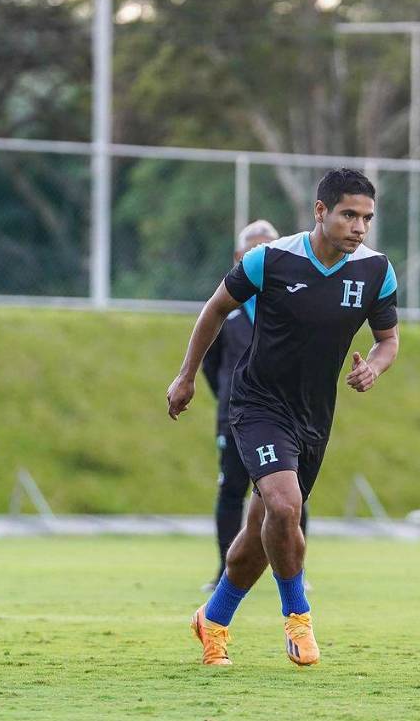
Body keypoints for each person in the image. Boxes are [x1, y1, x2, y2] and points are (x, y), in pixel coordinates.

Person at [167, 168, 399, 667]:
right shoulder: (270, 260)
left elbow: (388, 339)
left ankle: (213, 618)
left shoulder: (376, 271)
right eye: (348, 215)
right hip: (256, 404)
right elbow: (213, 309)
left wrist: (374, 369)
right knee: (284, 504)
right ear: (321, 211)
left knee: (260, 531)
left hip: (313, 416)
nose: (359, 227)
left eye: (367, 218)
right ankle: (298, 620)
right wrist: (185, 377)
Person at [200, 220, 309, 592]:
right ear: (238, 257)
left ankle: (295, 572)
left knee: (291, 494)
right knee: (232, 491)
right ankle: (223, 571)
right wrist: (234, 399)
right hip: (235, 418)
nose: (262, 255)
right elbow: (210, 365)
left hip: (287, 416)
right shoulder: (226, 309)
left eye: (269, 247)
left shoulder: (292, 304)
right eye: (254, 248)